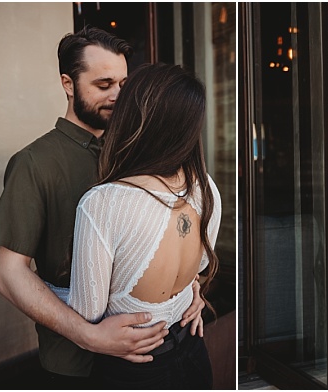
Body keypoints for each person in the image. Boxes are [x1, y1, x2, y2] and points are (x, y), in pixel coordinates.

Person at [0, 26, 203, 388]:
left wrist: (186, 291)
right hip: (77, 363)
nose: (118, 96)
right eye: (103, 85)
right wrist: (89, 335)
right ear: (68, 84)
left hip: (155, 354)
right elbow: (9, 274)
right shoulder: (34, 162)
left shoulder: (137, 147)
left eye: (123, 84)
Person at [67, 62, 221, 389]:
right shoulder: (205, 188)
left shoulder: (103, 203)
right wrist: (188, 292)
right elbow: (198, 270)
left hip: (135, 370)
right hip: (193, 353)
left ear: (134, 118)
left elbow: (87, 312)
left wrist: (40, 286)